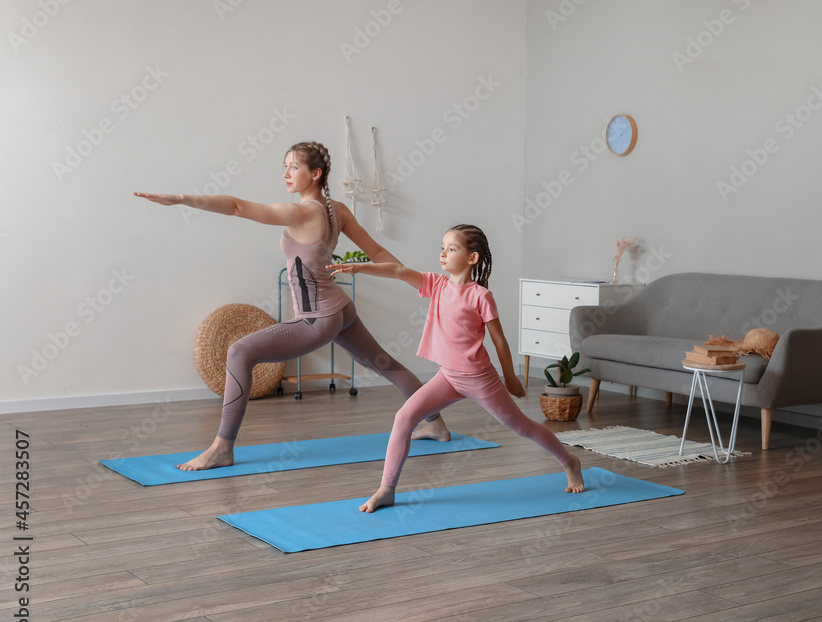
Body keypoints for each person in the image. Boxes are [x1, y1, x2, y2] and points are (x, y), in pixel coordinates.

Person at [134, 141, 450, 471]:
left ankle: (221, 448)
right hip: (341, 310)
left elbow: (237, 207)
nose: (286, 173)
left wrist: (182, 199)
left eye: (294, 167)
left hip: (318, 319)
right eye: (284, 165)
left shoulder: (299, 212)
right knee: (385, 364)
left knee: (239, 352)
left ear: (316, 173)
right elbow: (378, 252)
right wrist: (421, 283)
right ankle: (437, 425)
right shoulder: (336, 209)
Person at [329, 224, 585, 513]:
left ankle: (569, 462)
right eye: (442, 247)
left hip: (480, 380)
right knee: (403, 418)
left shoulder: (480, 296)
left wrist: (510, 377)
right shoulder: (436, 285)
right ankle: (387, 489)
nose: (443, 253)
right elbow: (399, 272)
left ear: (472, 258)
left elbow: (499, 340)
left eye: (452, 249)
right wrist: (359, 269)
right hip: (447, 377)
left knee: (521, 426)